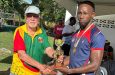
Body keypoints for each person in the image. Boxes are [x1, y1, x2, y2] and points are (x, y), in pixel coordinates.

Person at [56, 1, 105, 75]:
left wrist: (70, 71)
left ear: (93, 15)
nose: (81, 16)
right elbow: (74, 56)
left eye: (85, 13)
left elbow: (95, 65)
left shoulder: (96, 35)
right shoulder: (76, 33)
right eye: (79, 13)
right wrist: (60, 64)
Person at [10, 5, 57, 75]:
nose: (32, 18)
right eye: (29, 16)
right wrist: (41, 67)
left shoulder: (42, 32)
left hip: (35, 72)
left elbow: (48, 48)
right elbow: (22, 55)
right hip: (19, 71)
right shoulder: (20, 31)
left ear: (39, 18)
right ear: (26, 18)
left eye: (35, 16)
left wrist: (55, 55)